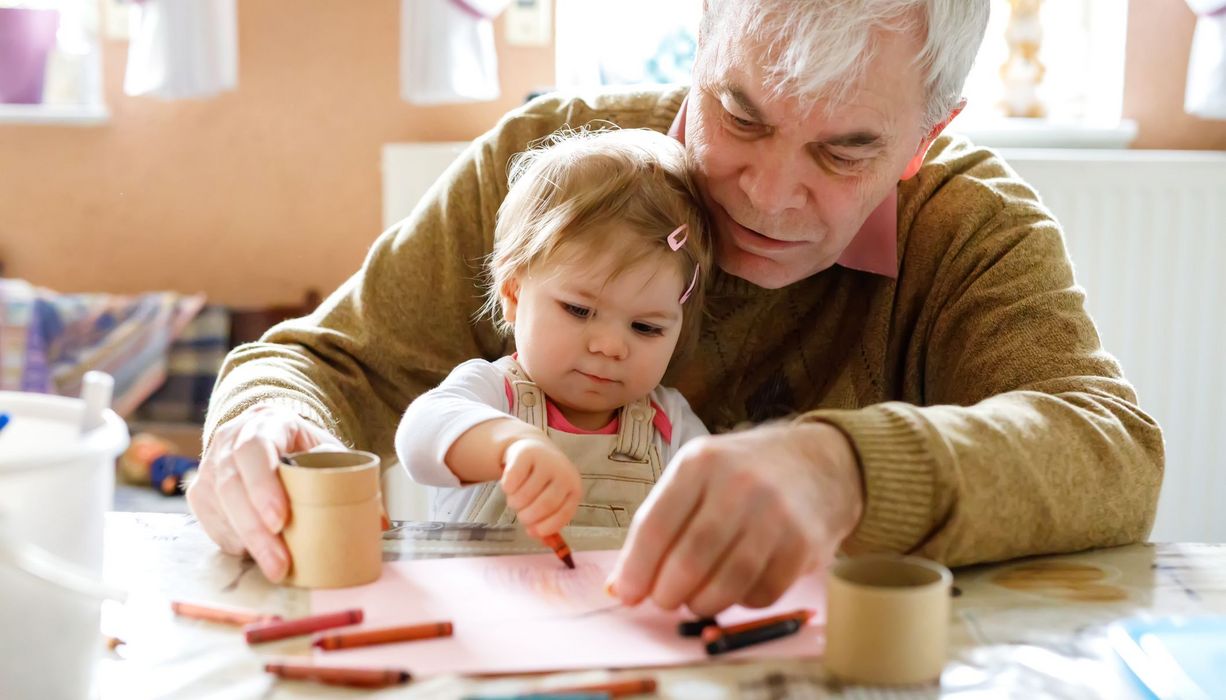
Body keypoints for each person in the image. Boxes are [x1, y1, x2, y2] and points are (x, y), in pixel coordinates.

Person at [188, 0, 1163, 618]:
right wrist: (261, 421)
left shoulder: (966, 227)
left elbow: (1109, 450)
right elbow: (328, 363)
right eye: (739, 113)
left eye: (844, 150)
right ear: (700, 41)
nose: (768, 194)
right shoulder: (553, 164)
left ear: (923, 137)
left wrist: (846, 468)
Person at [393, 127, 712, 536]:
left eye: (646, 327)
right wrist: (507, 445)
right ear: (513, 293)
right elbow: (418, 438)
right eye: (579, 310)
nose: (611, 346)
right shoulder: (494, 393)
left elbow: (719, 505)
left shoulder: (668, 424)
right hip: (489, 599)